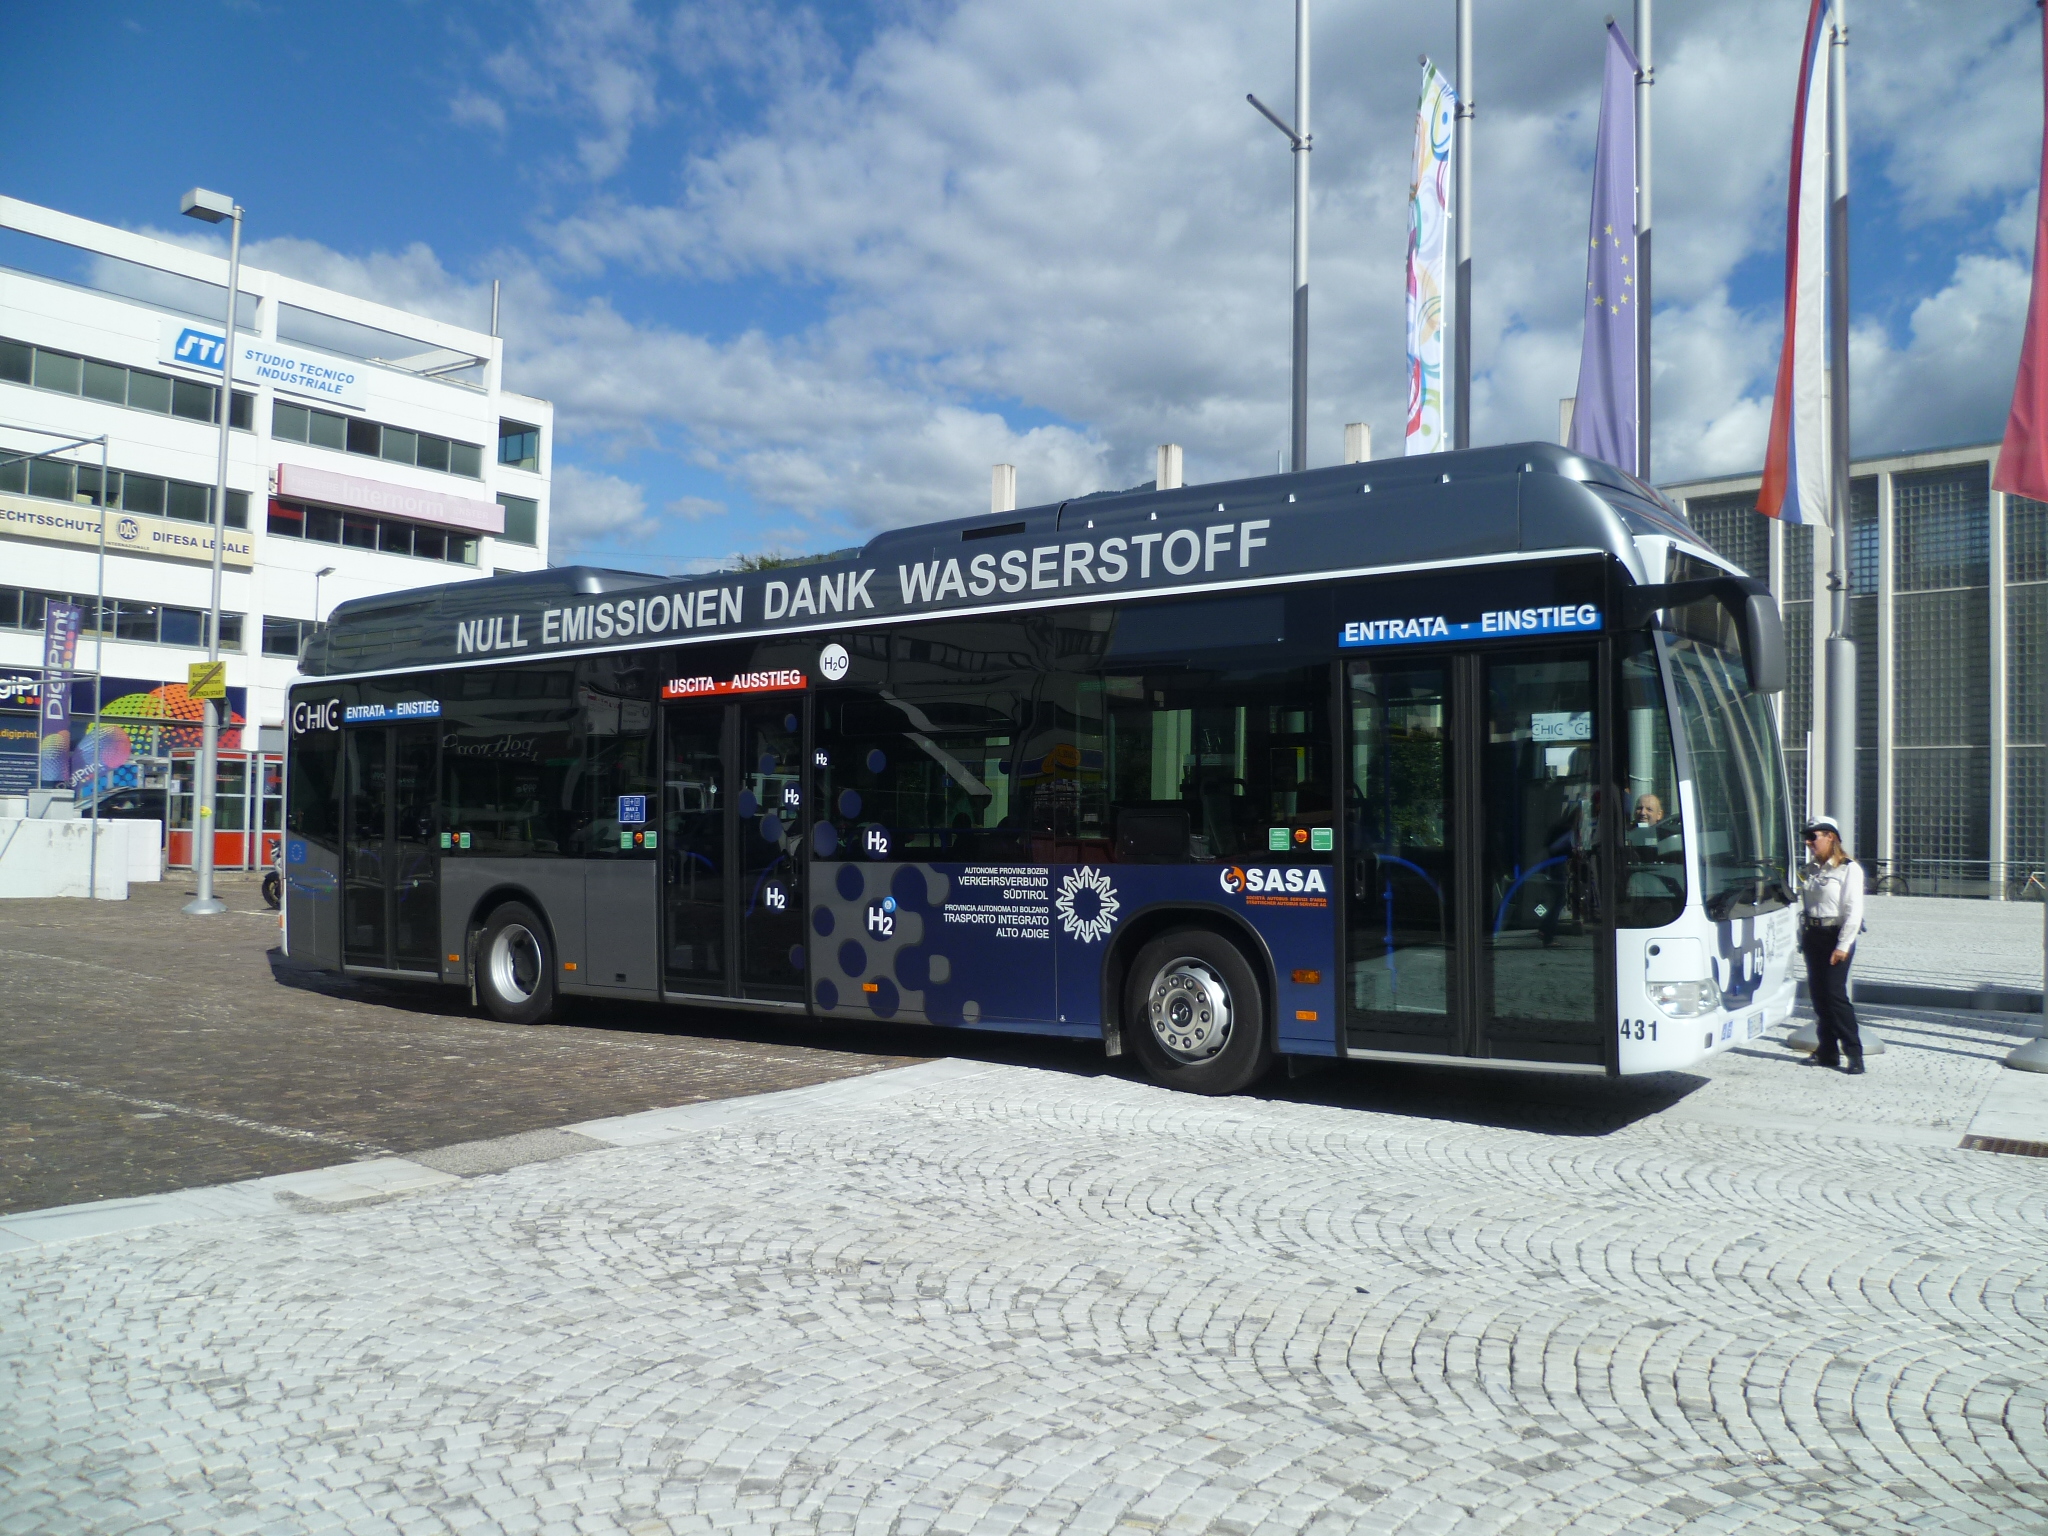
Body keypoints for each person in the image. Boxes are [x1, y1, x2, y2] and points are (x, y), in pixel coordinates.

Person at [1797, 815, 1867, 1074]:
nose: (1808, 842)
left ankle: (1854, 1053)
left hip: (1835, 936)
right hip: (1813, 935)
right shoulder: (1810, 870)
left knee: (1835, 996)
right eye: (1807, 837)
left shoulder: (1848, 868)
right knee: (1818, 996)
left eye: (1813, 836)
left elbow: (1853, 911)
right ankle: (1827, 1051)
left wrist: (1843, 945)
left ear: (1831, 837)